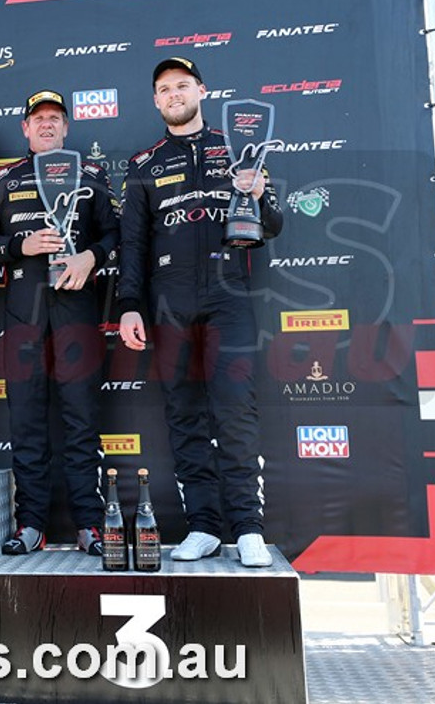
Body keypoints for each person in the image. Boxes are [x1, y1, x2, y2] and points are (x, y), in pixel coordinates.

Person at [117, 57, 282, 568]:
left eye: (182, 86)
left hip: (228, 295)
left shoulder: (239, 148)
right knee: (184, 416)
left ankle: (248, 528)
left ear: (202, 91)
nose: (173, 94)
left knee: (235, 410)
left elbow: (273, 224)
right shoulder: (143, 164)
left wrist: (256, 191)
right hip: (168, 300)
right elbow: (133, 244)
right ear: (155, 100)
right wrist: (127, 306)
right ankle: (205, 527)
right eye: (164, 88)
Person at [0, 89, 119, 556]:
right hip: (23, 316)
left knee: (81, 421)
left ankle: (89, 526)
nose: (48, 125)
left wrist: (90, 257)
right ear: (25, 129)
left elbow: (117, 235)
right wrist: (19, 247)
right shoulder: (4, 180)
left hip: (77, 313)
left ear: (67, 127)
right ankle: (31, 524)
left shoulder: (91, 175)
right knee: (27, 423)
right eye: (39, 119)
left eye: (56, 118)